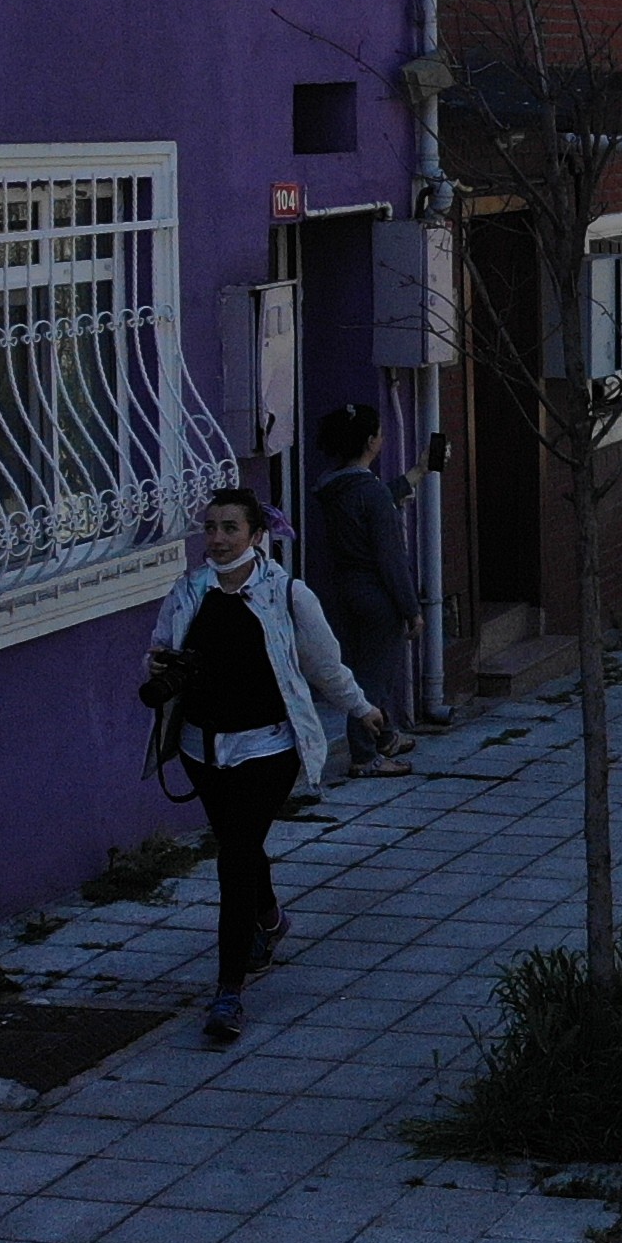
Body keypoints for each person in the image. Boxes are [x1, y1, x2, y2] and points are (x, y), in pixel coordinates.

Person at [145, 487, 378, 1045]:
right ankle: (270, 919)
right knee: (240, 846)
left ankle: (228, 992)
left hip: (267, 749)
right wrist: (158, 665)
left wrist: (362, 708)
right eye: (211, 528)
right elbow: (158, 649)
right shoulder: (189, 591)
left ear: (256, 535)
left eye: (230, 528)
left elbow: (324, 665)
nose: (218, 539)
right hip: (203, 750)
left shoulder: (287, 594)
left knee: (234, 859)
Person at [307, 403, 429, 769]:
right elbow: (391, 559)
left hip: (344, 590)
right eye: (379, 433)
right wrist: (411, 609)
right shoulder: (370, 493)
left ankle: (385, 735)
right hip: (376, 596)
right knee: (375, 678)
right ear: (371, 441)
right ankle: (365, 754)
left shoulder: (333, 487)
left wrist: (418, 472)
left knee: (360, 668)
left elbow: (375, 501)